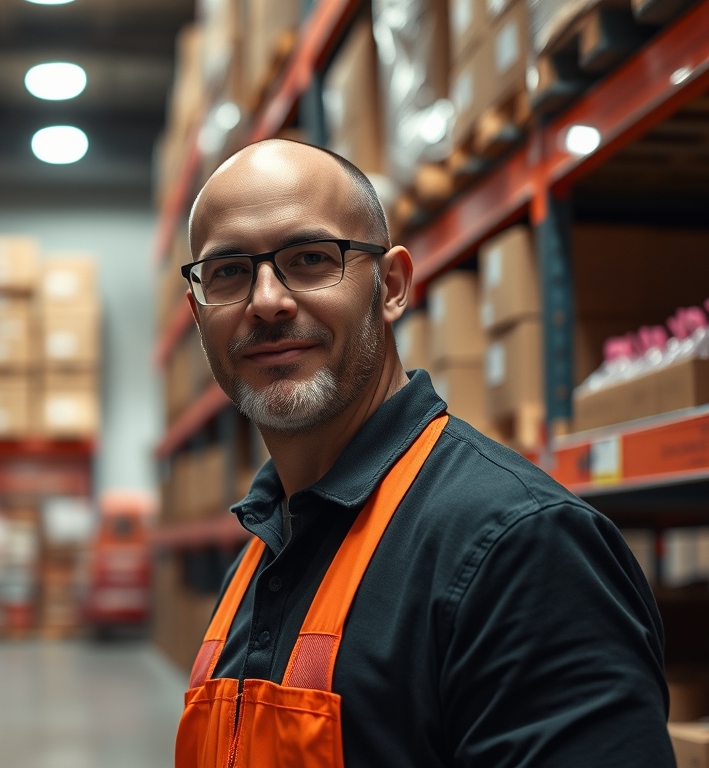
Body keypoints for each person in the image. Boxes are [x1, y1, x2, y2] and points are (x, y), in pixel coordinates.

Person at [173, 139, 671, 767]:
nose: (267, 300)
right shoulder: (262, 553)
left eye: (309, 258)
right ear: (198, 312)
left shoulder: (520, 548)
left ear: (391, 287)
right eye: (229, 272)